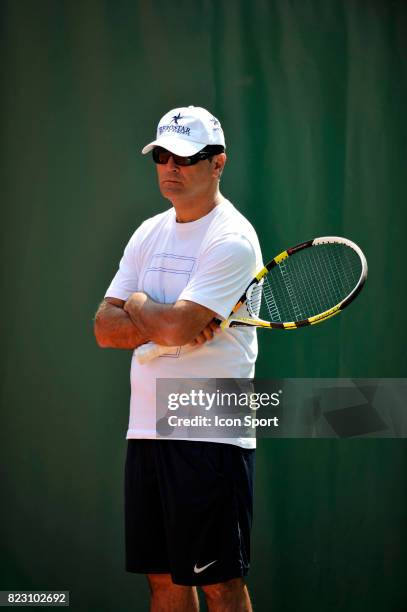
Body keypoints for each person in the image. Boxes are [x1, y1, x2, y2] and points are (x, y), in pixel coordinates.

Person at [94, 105, 262, 611]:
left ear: (218, 163)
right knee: (164, 582)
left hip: (209, 433)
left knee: (219, 584)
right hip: (147, 428)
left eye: (186, 157)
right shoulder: (148, 232)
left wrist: (142, 306)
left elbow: (169, 326)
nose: (171, 167)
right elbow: (104, 328)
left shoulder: (232, 239)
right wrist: (167, 322)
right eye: (162, 155)